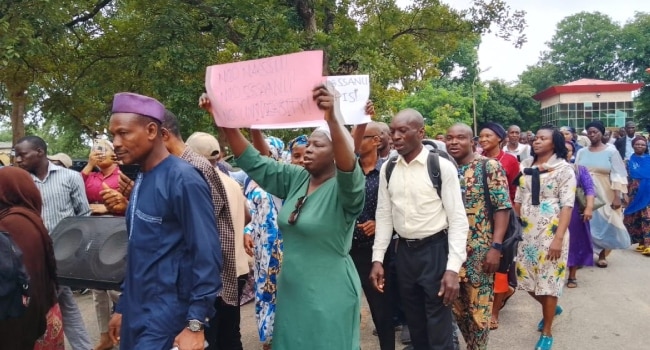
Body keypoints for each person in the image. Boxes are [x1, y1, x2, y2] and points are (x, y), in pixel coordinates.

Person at [209, 85, 365, 349]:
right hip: (293, 290)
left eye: (318, 145)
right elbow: (254, 162)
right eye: (307, 145)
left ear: (337, 151)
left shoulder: (347, 190)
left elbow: (349, 166)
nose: (307, 151)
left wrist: (333, 119)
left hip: (329, 291)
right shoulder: (297, 178)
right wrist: (224, 119)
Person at [105, 92, 222, 350]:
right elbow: (139, 252)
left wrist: (195, 323)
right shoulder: (142, 179)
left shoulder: (184, 179)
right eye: (113, 134)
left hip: (168, 317)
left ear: (150, 130)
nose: (116, 142)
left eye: (123, 133)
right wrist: (123, 307)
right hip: (137, 314)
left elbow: (207, 254)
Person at [371, 108, 468, 349]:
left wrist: (453, 269)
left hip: (435, 251)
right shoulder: (389, 167)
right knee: (414, 324)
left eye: (403, 131)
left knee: (439, 326)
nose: (396, 136)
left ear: (420, 132)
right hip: (404, 253)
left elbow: (457, 219)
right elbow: (384, 215)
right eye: (393, 131)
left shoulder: (440, 166)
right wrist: (378, 259)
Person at [13, 135, 93, 350]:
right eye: (16, 155)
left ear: (40, 151)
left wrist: (78, 252)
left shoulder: (70, 177)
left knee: (42, 307)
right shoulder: (21, 181)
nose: (18, 159)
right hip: (33, 256)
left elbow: (83, 215)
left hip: (63, 255)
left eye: (22, 154)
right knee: (65, 305)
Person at [445, 123, 511, 348]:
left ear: (472, 141)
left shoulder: (489, 166)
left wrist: (496, 247)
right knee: (456, 310)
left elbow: (502, 208)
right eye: (449, 138)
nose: (454, 142)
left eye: (460, 138)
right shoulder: (444, 167)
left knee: (478, 313)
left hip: (480, 252)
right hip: (450, 252)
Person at [515, 126, 576, 350]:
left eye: (543, 138)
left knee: (549, 282)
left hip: (551, 231)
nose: (537, 141)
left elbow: (567, 206)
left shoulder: (563, 169)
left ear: (554, 143)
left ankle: (547, 332)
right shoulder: (525, 166)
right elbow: (519, 198)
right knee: (525, 278)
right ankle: (552, 307)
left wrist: (558, 239)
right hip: (527, 233)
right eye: (536, 138)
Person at [0, 167, 61, 350]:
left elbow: (10, 279)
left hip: (20, 321)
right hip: (39, 309)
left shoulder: (12, 223)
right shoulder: (29, 217)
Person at [349, 122, 396, 350]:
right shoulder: (347, 172)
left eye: (361, 136)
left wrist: (382, 224)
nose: (354, 140)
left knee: (382, 312)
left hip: (379, 253)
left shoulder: (389, 171)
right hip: (348, 251)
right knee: (347, 309)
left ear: (377, 140)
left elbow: (403, 207)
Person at [79, 138, 122, 350]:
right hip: (94, 234)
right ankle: (105, 336)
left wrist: (108, 209)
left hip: (118, 233)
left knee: (116, 286)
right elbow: (75, 188)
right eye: (95, 150)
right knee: (97, 289)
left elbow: (131, 199)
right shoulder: (91, 175)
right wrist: (88, 165)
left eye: (104, 149)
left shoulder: (122, 174)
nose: (99, 153)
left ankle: (127, 329)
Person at [478, 123, 518, 326]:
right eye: (481, 136)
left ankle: (494, 313)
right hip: (481, 218)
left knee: (501, 265)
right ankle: (501, 295)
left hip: (504, 216)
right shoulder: (476, 159)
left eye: (488, 136)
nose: (483, 139)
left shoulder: (509, 160)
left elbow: (516, 192)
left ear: (500, 138)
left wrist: (516, 224)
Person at [575, 120, 629, 268]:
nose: (592, 135)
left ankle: (602, 254)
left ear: (602, 133)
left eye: (595, 132)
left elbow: (618, 175)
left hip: (606, 192)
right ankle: (584, 254)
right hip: (585, 192)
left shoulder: (611, 151)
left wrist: (618, 196)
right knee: (586, 222)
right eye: (590, 132)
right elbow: (576, 171)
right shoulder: (581, 152)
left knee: (605, 222)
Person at [563, 141, 595, 289]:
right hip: (553, 210)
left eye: (568, 150)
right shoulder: (548, 168)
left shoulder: (579, 169)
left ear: (573, 153)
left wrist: (588, 208)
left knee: (574, 243)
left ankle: (572, 275)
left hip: (575, 211)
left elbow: (589, 189)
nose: (565, 152)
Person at [623, 136, 650, 255]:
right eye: (637, 144)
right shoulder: (628, 162)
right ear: (633, 146)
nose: (640, 146)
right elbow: (625, 179)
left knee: (647, 217)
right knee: (636, 218)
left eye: (643, 144)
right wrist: (624, 194)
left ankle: (648, 244)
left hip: (648, 193)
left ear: (646, 146)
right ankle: (641, 243)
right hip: (633, 193)